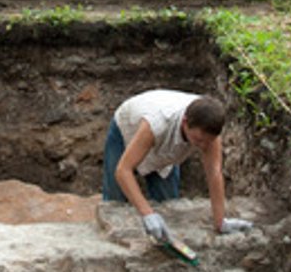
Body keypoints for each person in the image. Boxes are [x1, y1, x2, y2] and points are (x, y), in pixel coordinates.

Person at [103, 89, 251, 243]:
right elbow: (123, 171)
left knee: (168, 204)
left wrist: (221, 222)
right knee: (116, 201)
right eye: (198, 140)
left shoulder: (209, 129)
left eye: (208, 141)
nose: (203, 146)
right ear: (185, 122)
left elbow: (214, 173)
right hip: (129, 129)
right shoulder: (157, 123)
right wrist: (147, 213)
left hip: (165, 148)